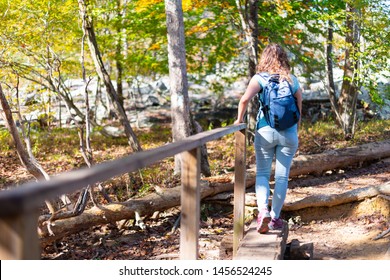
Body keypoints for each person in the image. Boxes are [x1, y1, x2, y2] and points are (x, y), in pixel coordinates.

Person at [234, 43, 302, 234]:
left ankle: (263, 210)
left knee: (263, 174)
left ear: (265, 58)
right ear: (283, 59)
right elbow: (299, 107)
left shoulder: (260, 78)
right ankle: (275, 218)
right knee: (282, 176)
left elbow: (244, 100)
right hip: (289, 133)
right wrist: (294, 130)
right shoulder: (292, 79)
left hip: (265, 131)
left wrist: (239, 120)